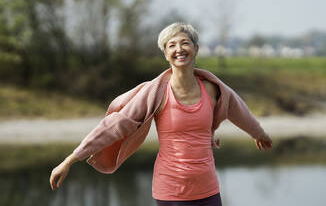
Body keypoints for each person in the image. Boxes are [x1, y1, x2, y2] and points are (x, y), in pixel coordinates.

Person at [49, 22, 273, 205]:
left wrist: (258, 133)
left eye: (185, 43)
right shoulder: (156, 92)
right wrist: (71, 158)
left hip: (208, 189)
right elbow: (116, 124)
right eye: (172, 45)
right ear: (166, 53)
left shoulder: (213, 89)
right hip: (170, 191)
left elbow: (238, 109)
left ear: (196, 49)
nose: (179, 49)